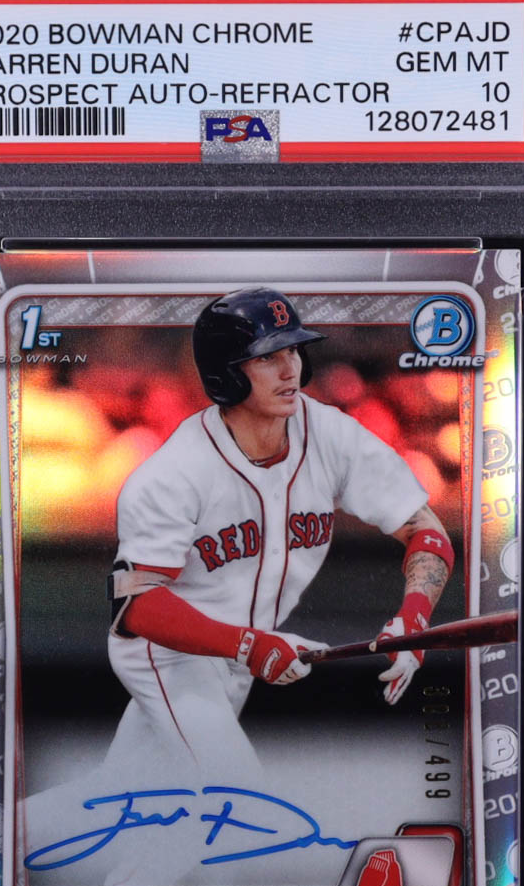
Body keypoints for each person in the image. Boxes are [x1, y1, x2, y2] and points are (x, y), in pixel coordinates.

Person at [104, 287, 453, 791]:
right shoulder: (176, 471)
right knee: (233, 794)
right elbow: (136, 605)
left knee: (123, 798)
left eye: (293, 350)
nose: (290, 369)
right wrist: (249, 645)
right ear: (226, 373)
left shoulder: (329, 435)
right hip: (171, 655)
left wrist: (414, 617)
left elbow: (426, 531)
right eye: (267, 357)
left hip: (239, 653)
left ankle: (5, 828)